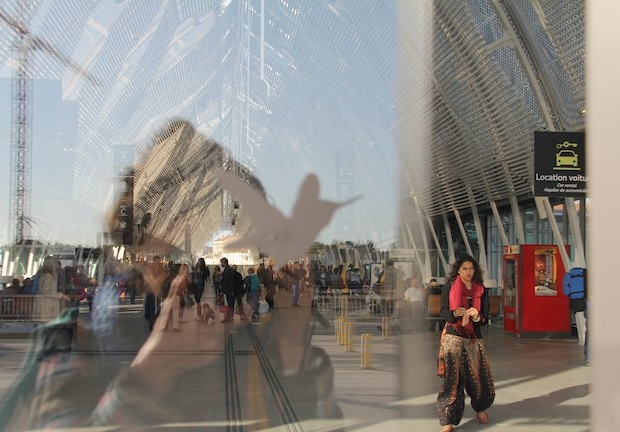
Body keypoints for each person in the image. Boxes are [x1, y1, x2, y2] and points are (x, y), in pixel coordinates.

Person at [437, 255, 495, 432]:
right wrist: (455, 314)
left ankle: (480, 409)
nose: (468, 272)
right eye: (464, 269)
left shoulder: (481, 290)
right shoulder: (450, 286)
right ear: (458, 270)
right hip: (453, 337)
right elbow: (443, 312)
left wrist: (477, 317)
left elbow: (484, 318)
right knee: (452, 379)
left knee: (477, 376)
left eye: (471, 268)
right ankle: (448, 420)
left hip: (473, 339)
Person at [219, 258, 235, 323]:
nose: (221, 264)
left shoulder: (227, 270)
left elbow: (226, 281)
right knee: (229, 304)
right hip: (229, 290)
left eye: (221, 262)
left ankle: (228, 317)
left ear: (224, 262)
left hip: (228, 290)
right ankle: (229, 316)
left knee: (229, 304)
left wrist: (222, 290)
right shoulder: (228, 269)